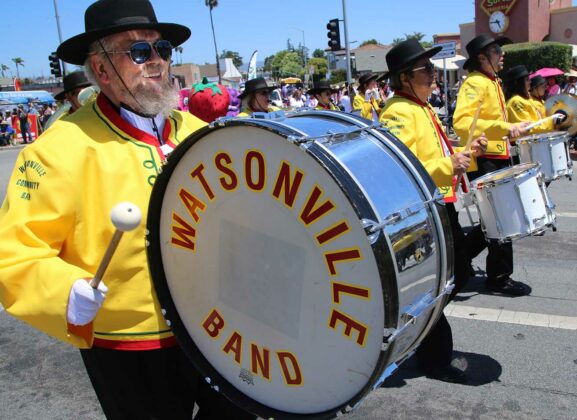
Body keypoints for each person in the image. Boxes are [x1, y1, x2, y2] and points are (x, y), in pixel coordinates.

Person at [0, 1, 255, 419]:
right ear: (101, 71)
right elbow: (16, 254)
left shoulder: (200, 134)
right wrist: (64, 291)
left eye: (163, 49)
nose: (156, 61)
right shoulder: (57, 151)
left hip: (219, 330)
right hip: (130, 344)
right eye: (139, 52)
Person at [379, 39, 488, 384]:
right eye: (426, 70)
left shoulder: (421, 107)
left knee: (456, 277)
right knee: (444, 283)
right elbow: (398, 166)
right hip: (425, 210)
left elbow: (434, 151)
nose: (434, 75)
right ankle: (433, 355)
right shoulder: (397, 111)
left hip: (441, 203)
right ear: (406, 78)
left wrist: (463, 150)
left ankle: (423, 340)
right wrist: (447, 164)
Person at [453, 34, 531, 296]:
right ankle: (498, 277)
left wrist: (510, 131)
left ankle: (457, 261)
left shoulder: (492, 81)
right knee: (500, 219)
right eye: (497, 50)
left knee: (493, 220)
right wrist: (505, 129)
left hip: (497, 156)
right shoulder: (475, 82)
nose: (502, 54)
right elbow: (462, 123)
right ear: (482, 58)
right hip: (484, 159)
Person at [504, 65, 565, 135]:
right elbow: (528, 128)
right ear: (518, 83)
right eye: (527, 79)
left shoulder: (526, 100)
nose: (530, 82)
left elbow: (539, 120)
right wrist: (553, 121)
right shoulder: (516, 102)